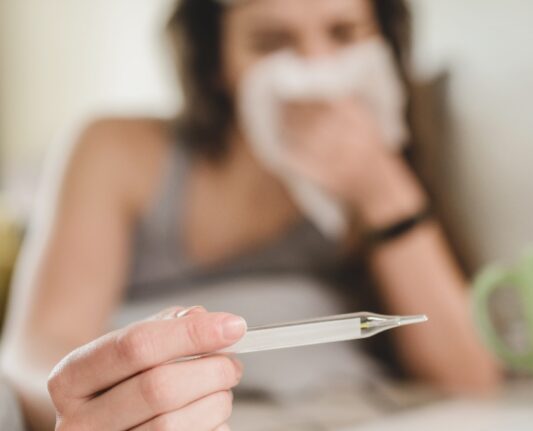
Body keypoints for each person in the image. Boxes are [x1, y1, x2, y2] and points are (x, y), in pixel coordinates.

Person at [0, 0, 501, 429]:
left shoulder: (389, 172)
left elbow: (469, 380)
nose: (315, 65)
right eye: (271, 42)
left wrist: (381, 187)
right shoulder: (116, 150)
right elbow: (37, 358)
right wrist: (104, 409)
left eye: (344, 33)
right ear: (216, 61)